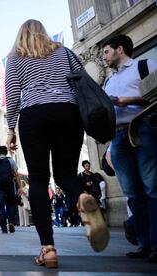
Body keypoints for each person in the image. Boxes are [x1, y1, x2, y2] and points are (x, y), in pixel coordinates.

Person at [5, 19, 109, 268]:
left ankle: (48, 250)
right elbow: (81, 78)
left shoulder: (15, 56)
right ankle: (82, 196)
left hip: (34, 115)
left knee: (39, 180)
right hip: (68, 112)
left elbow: (12, 93)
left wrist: (11, 128)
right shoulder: (63, 51)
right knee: (65, 175)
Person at [102, 34, 157, 262]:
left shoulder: (145, 66)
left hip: (143, 129)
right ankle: (144, 243)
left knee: (151, 187)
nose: (103, 57)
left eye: (106, 51)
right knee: (132, 193)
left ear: (120, 49)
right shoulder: (108, 81)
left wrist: (128, 101)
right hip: (118, 137)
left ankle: (156, 243)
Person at [0, 146, 19, 234]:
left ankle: (3, 227)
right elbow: (16, 175)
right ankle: (11, 222)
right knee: (10, 204)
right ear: (6, 152)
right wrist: (20, 187)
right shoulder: (11, 160)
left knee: (1, 206)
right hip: (10, 185)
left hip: (0, 186)